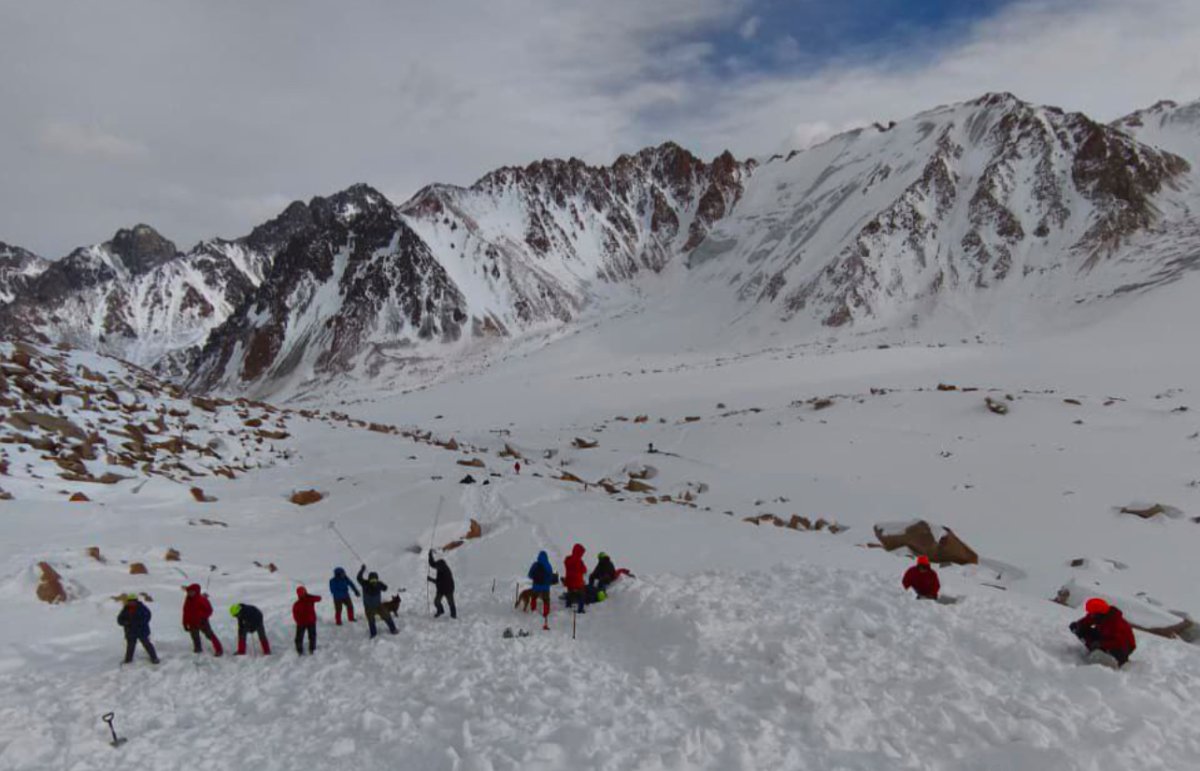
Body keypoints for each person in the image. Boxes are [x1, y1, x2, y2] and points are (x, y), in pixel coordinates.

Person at [1070, 598, 1136, 667]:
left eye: (1092, 613)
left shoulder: (1116, 622)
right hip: (1106, 638)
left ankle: (1117, 662)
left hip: (1123, 646)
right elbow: (1087, 620)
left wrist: (1101, 644)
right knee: (1081, 629)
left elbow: (1120, 642)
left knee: (1108, 651)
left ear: (1099, 613)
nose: (1091, 615)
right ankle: (1095, 650)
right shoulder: (1099, 615)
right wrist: (1077, 625)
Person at [182, 583, 223, 657]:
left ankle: (219, 650)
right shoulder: (187, 600)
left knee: (210, 635)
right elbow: (185, 612)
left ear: (196, 591)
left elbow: (209, 610)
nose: (190, 593)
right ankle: (198, 649)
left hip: (202, 621)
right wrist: (185, 623)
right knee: (195, 637)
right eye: (189, 591)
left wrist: (202, 616)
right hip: (192, 622)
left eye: (192, 591)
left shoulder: (202, 599)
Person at [357, 565, 398, 638]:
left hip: (378, 605)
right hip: (369, 607)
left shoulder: (379, 584)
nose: (373, 582)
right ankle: (373, 634)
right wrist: (362, 570)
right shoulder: (365, 583)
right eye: (371, 580)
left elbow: (385, 588)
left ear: (377, 579)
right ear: (369, 579)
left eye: (375, 580)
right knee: (371, 621)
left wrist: (382, 585)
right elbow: (358, 578)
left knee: (387, 616)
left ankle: (393, 629)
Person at [117, 594, 159, 665]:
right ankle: (128, 660)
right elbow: (119, 619)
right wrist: (125, 622)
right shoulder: (125, 609)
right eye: (130, 601)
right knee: (130, 646)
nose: (131, 602)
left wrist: (140, 623)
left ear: (136, 601)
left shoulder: (142, 608)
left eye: (133, 601)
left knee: (146, 644)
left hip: (141, 630)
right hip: (130, 631)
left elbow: (147, 616)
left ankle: (154, 658)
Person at [527, 551, 558, 630]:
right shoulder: (548, 566)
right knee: (546, 600)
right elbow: (550, 577)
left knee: (534, 598)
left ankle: (533, 609)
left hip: (536, 587)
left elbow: (530, 575)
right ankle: (546, 613)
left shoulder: (535, 565)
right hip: (545, 588)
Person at [292, 586, 322, 655]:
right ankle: (300, 650)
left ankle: (311, 649)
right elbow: (295, 615)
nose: (303, 593)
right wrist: (298, 621)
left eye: (304, 592)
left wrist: (309, 595)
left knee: (311, 636)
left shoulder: (309, 599)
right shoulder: (297, 604)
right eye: (303, 592)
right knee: (300, 637)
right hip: (302, 623)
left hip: (310, 622)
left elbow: (319, 598)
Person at [427, 549, 457, 619]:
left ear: (441, 566)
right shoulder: (440, 567)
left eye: (437, 567)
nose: (436, 567)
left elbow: (438, 582)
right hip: (441, 589)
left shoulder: (446, 572)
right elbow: (432, 564)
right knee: (436, 602)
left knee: (451, 602)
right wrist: (430, 555)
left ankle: (453, 615)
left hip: (448, 589)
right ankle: (440, 611)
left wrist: (430, 579)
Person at [563, 543, 588, 613]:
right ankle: (580, 609)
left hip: (569, 582)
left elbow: (566, 564)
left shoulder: (568, 559)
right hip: (578, 583)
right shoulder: (580, 561)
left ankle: (568, 604)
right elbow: (584, 570)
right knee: (582, 594)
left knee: (570, 592)